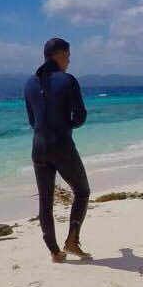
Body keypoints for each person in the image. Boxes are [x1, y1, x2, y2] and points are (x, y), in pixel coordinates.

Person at [24, 38, 91, 263]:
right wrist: (66, 126)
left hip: (38, 147)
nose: (69, 61)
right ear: (59, 55)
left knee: (45, 200)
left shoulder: (29, 83)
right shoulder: (68, 80)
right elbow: (80, 116)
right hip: (61, 145)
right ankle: (72, 241)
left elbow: (33, 120)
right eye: (68, 56)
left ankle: (54, 252)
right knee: (82, 192)